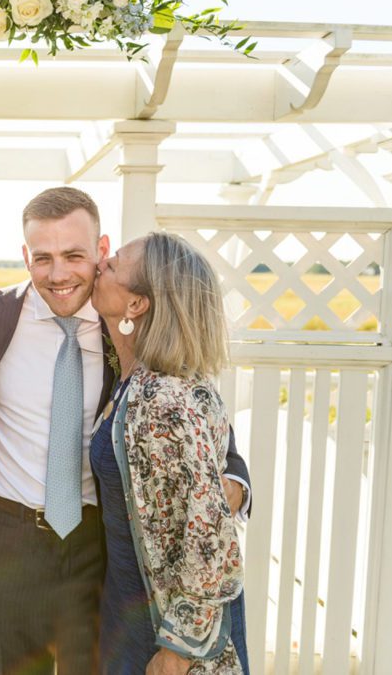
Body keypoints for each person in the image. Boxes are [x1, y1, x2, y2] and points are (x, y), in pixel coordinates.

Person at [0, 186, 251, 675]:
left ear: (102, 252)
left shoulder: (135, 332)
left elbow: (211, 435)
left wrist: (227, 489)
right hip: (10, 544)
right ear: (25, 256)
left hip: (99, 548)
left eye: (74, 255)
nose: (59, 273)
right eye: (42, 258)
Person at [89, 232, 249, 674]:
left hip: (164, 632)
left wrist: (178, 648)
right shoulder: (140, 381)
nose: (100, 263)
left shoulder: (164, 400)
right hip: (129, 607)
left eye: (113, 264)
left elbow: (208, 535)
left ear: (136, 305)